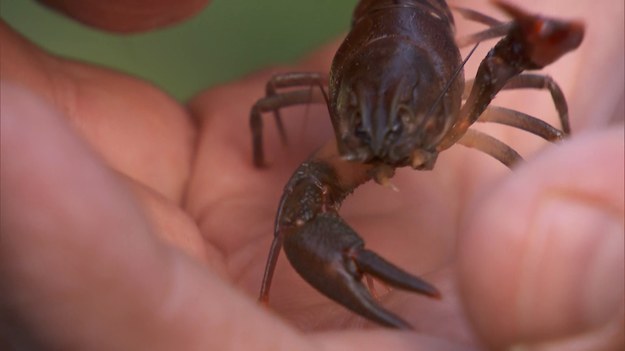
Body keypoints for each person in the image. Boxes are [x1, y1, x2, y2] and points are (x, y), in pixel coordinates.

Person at [1, 0, 622, 350]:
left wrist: (566, 143)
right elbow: (297, 206)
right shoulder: (342, 130)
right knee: (295, 206)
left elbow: (536, 73)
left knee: (524, 146)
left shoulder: (463, 110)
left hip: (420, 31)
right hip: (374, 40)